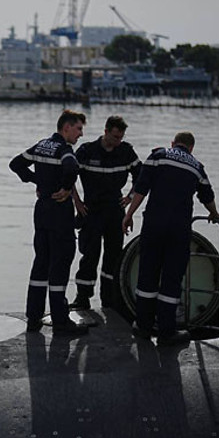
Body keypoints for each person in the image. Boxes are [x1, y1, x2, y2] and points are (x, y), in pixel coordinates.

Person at [122, 132, 219, 346]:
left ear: (173, 144)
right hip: (178, 228)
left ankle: (143, 326)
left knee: (148, 273)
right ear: (191, 148)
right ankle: (167, 331)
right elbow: (208, 196)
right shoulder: (197, 166)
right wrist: (214, 214)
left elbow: (141, 188)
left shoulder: (158, 156)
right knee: (171, 277)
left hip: (154, 224)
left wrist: (129, 215)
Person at [10, 109, 89, 335]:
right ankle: (60, 320)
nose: (80, 134)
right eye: (78, 129)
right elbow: (72, 167)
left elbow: (15, 164)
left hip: (41, 210)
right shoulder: (64, 149)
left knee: (41, 263)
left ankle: (33, 318)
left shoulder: (40, 146)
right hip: (59, 212)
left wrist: (38, 180)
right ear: (66, 128)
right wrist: (65, 188)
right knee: (60, 264)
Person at [68, 115, 141, 312]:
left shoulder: (126, 152)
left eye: (121, 137)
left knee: (114, 256)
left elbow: (142, 176)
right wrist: (77, 202)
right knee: (89, 256)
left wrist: (130, 197)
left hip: (115, 210)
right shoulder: (86, 151)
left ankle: (110, 300)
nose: (118, 141)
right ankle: (82, 298)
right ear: (106, 131)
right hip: (91, 210)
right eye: (115, 137)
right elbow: (68, 176)